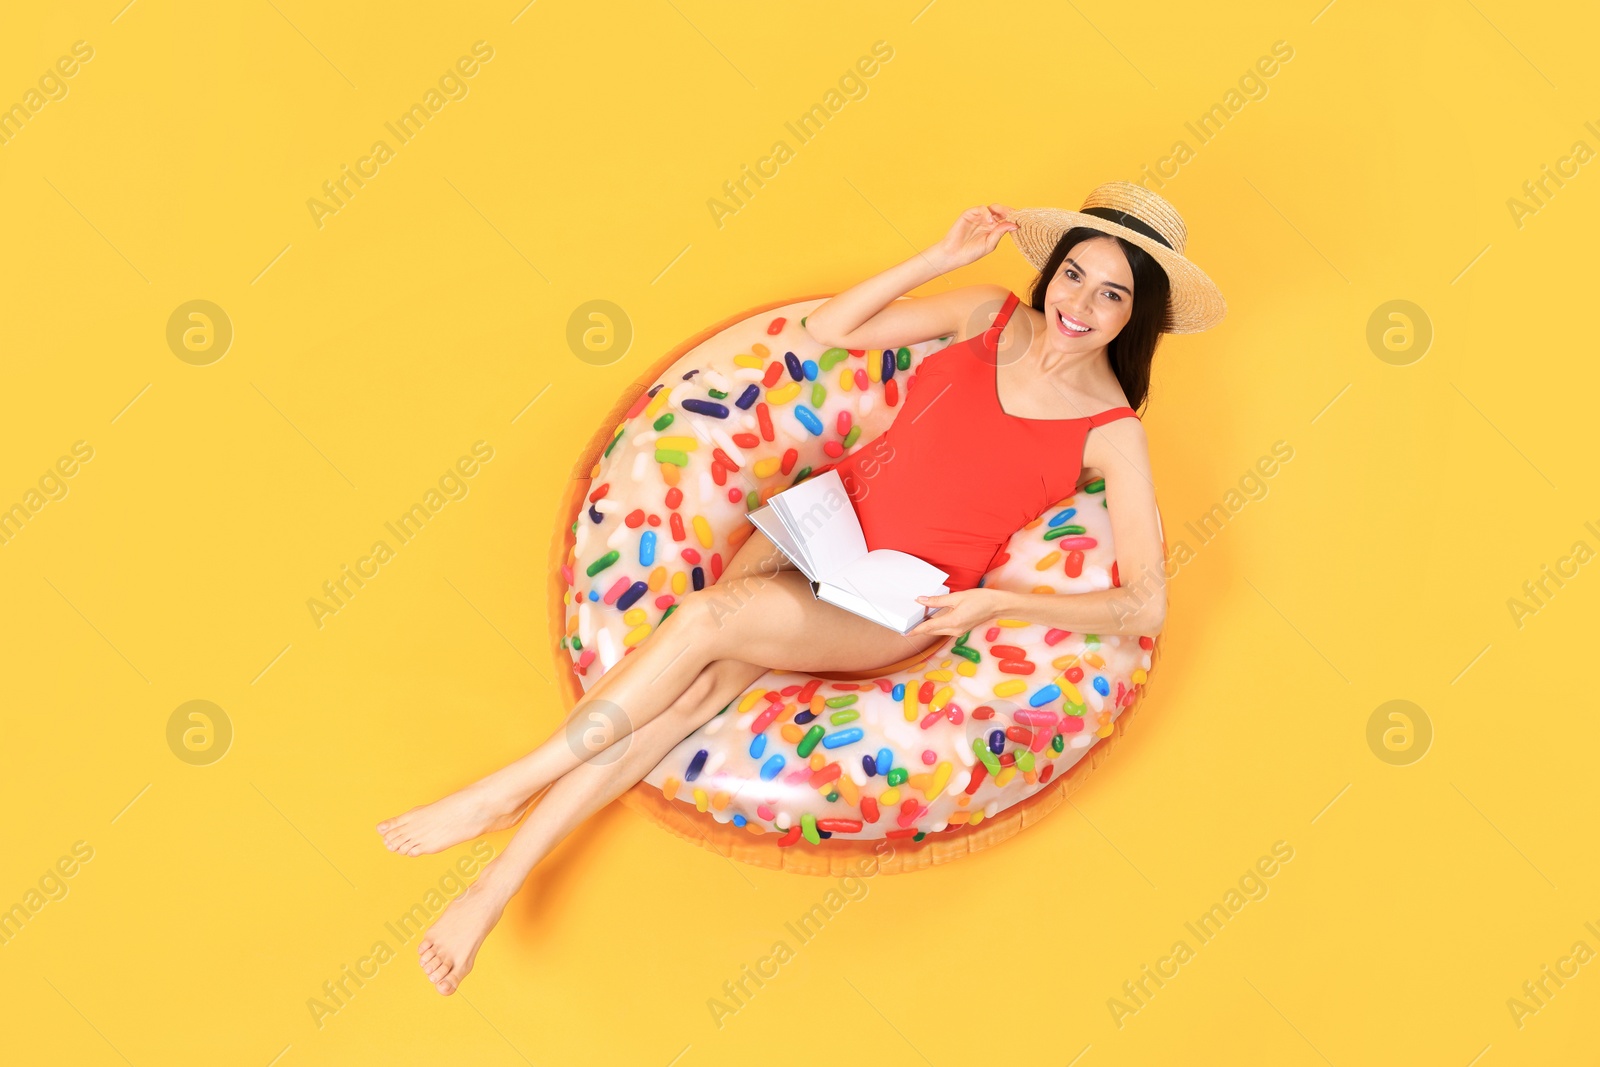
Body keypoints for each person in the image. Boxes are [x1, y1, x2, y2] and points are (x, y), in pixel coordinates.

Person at [376, 182, 1226, 994]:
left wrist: (999, 605)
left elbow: (1142, 602)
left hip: (892, 598)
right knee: (684, 700)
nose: (1080, 303)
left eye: (1111, 294)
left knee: (710, 619)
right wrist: (937, 253)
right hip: (818, 521)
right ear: (1053, 268)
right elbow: (830, 330)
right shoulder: (989, 313)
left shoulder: (1112, 431)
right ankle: (492, 889)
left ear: (1134, 316)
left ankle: (506, 788)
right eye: (1075, 272)